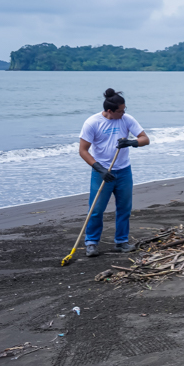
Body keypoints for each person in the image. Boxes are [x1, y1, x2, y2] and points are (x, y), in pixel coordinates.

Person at [78, 88, 150, 256]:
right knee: (96, 209)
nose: (123, 113)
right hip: (102, 172)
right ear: (109, 111)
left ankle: (121, 242)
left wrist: (132, 142)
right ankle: (91, 243)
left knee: (124, 208)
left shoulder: (126, 119)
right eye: (120, 111)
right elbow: (83, 150)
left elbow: (145, 139)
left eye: (124, 110)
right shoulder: (92, 122)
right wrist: (99, 169)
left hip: (124, 171)